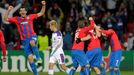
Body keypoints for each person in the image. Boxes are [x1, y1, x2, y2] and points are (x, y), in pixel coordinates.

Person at [4, 1, 46, 75]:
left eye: (24, 10)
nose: (22, 11)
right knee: (30, 59)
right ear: (20, 12)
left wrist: (44, 5)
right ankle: (36, 74)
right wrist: (8, 10)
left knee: (32, 42)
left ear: (26, 11)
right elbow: (5, 18)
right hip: (25, 41)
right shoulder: (17, 19)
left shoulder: (31, 16)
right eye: (21, 10)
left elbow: (41, 13)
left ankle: (39, 59)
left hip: (32, 36)